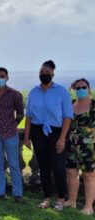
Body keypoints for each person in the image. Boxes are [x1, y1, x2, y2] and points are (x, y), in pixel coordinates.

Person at [24, 60, 73, 211]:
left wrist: (62, 138)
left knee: (58, 167)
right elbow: (29, 116)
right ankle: (46, 198)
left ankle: (60, 198)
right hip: (38, 132)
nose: (44, 73)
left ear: (53, 73)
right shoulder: (33, 92)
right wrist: (26, 136)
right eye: (42, 71)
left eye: (47, 71)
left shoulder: (62, 91)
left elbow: (67, 117)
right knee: (43, 167)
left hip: (56, 132)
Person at [0, 67, 24, 203]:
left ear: (7, 78)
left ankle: (17, 194)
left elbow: (20, 113)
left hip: (11, 134)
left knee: (14, 164)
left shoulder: (15, 94)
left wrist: (13, 124)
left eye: (2, 76)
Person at [65, 78, 95, 215]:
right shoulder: (70, 104)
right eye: (77, 88)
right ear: (74, 90)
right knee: (71, 173)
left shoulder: (93, 105)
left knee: (89, 175)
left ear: (89, 89)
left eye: (83, 87)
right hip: (72, 145)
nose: (81, 90)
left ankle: (88, 207)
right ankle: (72, 201)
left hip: (89, 146)